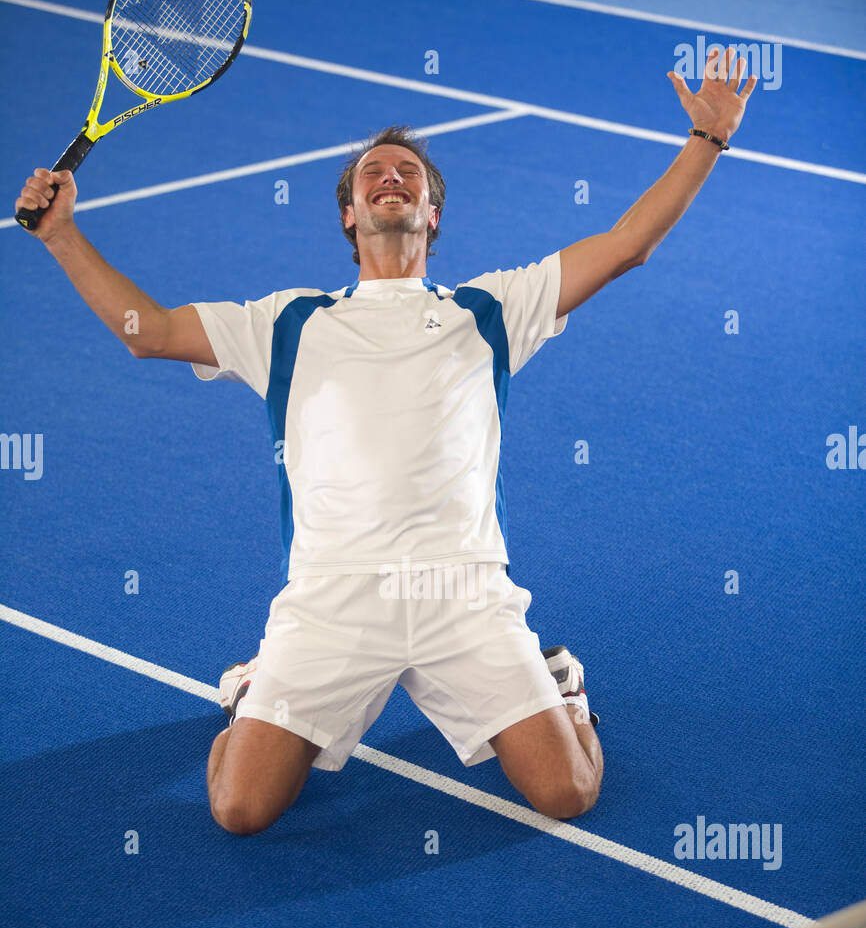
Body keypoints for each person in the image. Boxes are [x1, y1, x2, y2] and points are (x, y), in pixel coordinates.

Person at [17, 48, 756, 835]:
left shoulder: (493, 309)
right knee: (239, 809)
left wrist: (705, 141)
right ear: (348, 214)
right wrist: (62, 236)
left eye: (411, 173)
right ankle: (253, 689)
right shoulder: (288, 322)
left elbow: (625, 245)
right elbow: (152, 333)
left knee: (568, 794)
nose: (392, 177)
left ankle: (560, 686)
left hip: (463, 592)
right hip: (334, 596)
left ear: (433, 214)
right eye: (375, 172)